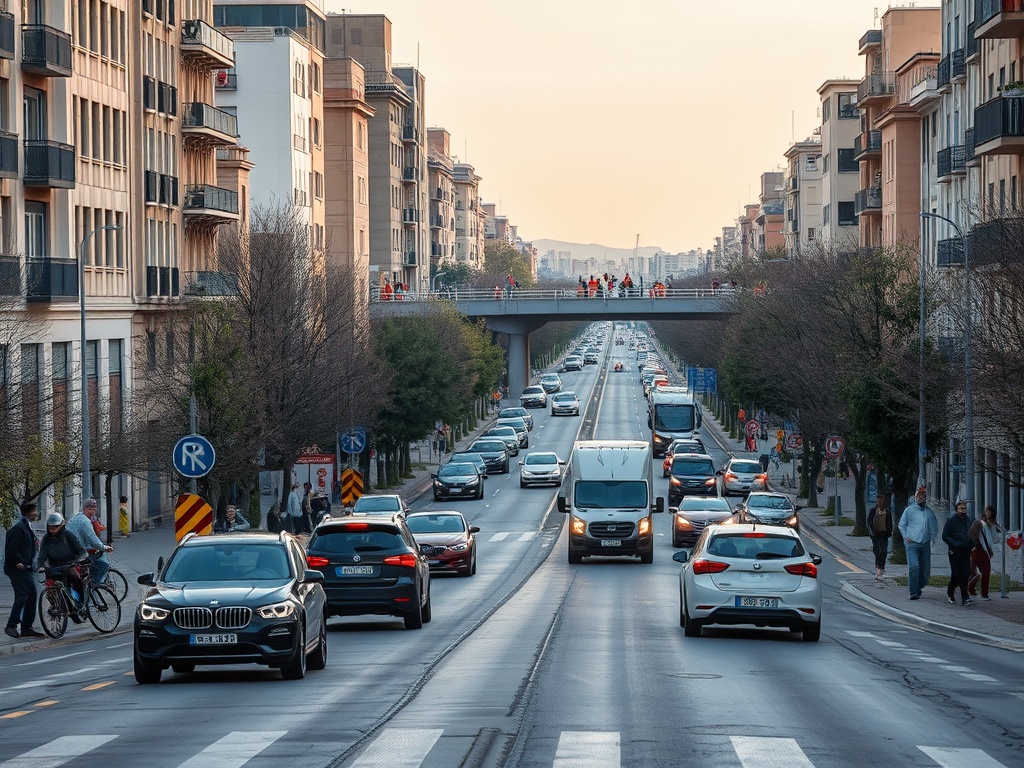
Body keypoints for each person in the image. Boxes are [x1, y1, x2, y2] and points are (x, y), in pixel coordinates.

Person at [4, 503, 45, 639]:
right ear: (28, 513)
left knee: (32, 594)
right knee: (23, 594)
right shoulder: (18, 528)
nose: (36, 514)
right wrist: (17, 562)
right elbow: (11, 548)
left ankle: (27, 627)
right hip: (17, 569)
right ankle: (11, 625)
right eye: (34, 512)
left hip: (26, 568)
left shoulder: (27, 526)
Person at [37, 513, 88, 608]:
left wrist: (76, 561)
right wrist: (41, 566)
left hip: (69, 564)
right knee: (49, 585)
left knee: (75, 577)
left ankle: (80, 602)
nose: (52, 529)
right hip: (53, 567)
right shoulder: (46, 539)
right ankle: (55, 607)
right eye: (50, 527)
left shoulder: (67, 535)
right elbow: (41, 556)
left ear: (62, 525)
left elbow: (82, 551)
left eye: (55, 527)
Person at [898, 486, 939, 600]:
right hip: (912, 544)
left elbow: (935, 527)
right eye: (920, 496)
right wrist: (906, 537)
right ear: (916, 498)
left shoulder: (928, 512)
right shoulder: (909, 510)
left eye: (924, 496)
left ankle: (919, 586)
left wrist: (932, 540)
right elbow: (902, 525)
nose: (922, 498)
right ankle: (913, 592)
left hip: (925, 544)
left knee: (925, 570)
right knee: (914, 567)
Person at [67, 499, 113, 587]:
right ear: (85, 508)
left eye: (94, 507)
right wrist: (104, 547)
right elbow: (92, 539)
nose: (93, 509)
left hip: (70, 550)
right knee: (102, 564)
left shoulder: (76, 517)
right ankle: (92, 587)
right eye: (90, 507)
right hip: (78, 553)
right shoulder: (85, 521)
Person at [943, 498, 974, 606]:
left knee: (966, 572)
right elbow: (945, 536)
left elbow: (970, 534)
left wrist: (971, 544)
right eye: (961, 508)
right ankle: (950, 591)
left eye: (964, 508)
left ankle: (965, 597)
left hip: (965, 550)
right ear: (957, 509)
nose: (963, 510)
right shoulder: (951, 520)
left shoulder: (968, 520)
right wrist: (955, 544)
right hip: (955, 551)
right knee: (957, 573)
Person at [969, 505, 1002, 600]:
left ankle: (975, 590)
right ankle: (979, 592)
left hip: (985, 550)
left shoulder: (991, 525)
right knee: (982, 572)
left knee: (982, 572)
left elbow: (995, 539)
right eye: (987, 511)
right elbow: (973, 535)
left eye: (990, 512)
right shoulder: (979, 522)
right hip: (979, 549)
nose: (988, 513)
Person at [867, 494, 893, 581]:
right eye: (878, 501)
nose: (880, 503)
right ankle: (878, 569)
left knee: (884, 552)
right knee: (877, 552)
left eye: (881, 501)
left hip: (884, 535)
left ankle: (882, 568)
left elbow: (890, 522)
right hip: (875, 535)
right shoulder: (873, 511)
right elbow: (869, 522)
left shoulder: (887, 512)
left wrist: (889, 532)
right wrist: (872, 533)